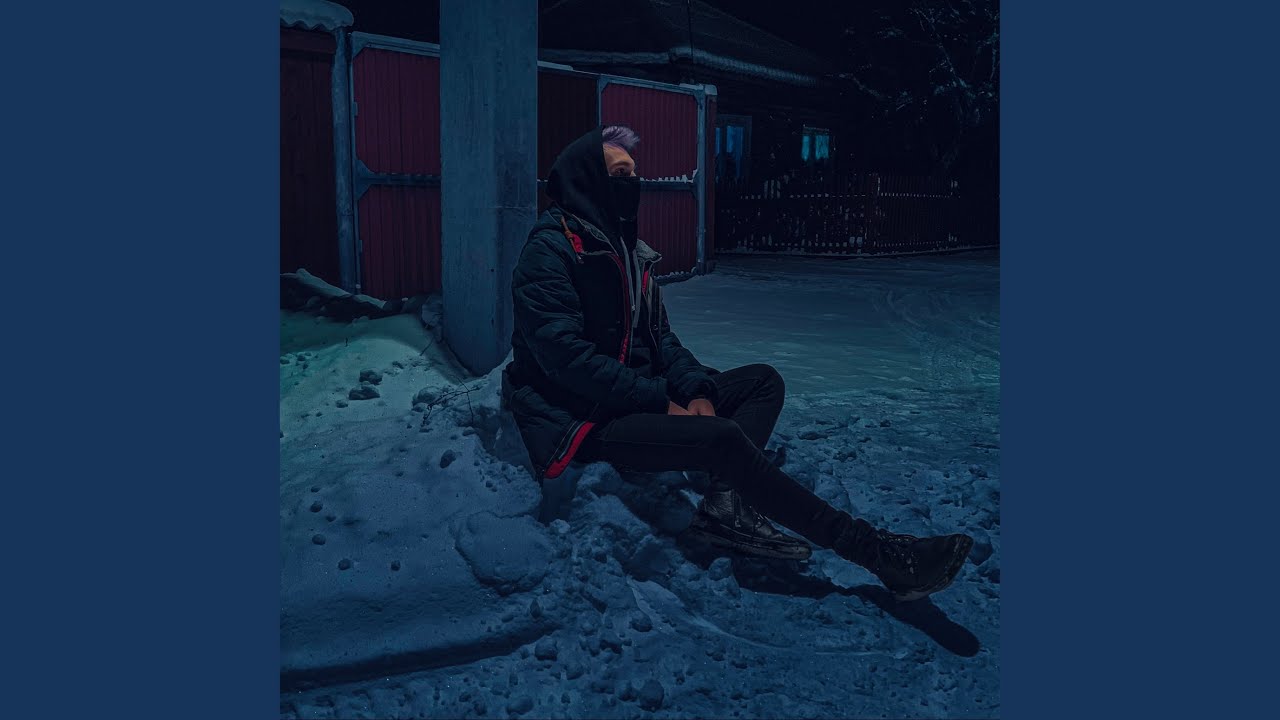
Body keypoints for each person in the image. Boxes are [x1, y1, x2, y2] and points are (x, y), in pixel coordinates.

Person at [502, 125, 972, 602]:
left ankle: (725, 502)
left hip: (630, 394)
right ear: (588, 179)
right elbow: (568, 362)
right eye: (621, 174)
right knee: (722, 438)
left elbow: (661, 340)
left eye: (634, 173)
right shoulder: (551, 251)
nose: (633, 183)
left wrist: (695, 389)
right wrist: (661, 402)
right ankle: (878, 553)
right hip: (580, 415)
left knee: (762, 382)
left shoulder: (624, 248)